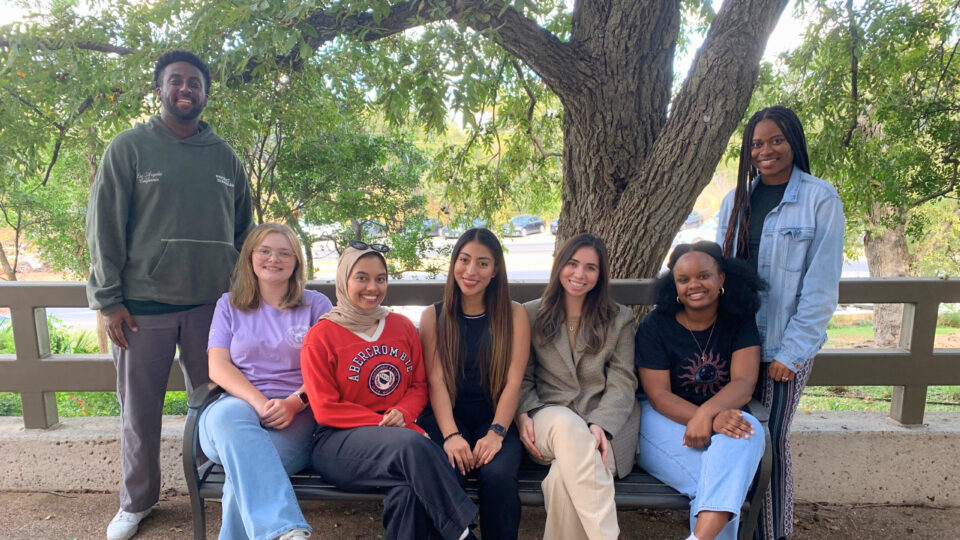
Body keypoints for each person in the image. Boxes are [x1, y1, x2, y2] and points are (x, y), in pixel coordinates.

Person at [85, 49, 253, 540]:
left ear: (205, 92)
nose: (186, 90)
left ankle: (213, 492)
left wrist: (245, 298)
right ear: (159, 89)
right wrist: (109, 299)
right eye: (176, 81)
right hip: (142, 308)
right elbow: (104, 229)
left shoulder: (225, 157)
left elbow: (245, 234)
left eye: (195, 83)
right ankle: (136, 502)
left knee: (216, 410)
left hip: (212, 310)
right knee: (140, 412)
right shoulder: (130, 148)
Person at [717, 105, 844, 539]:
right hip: (738, 345)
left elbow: (821, 287)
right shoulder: (736, 200)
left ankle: (773, 533)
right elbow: (722, 275)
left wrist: (792, 353)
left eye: (775, 140)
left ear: (793, 141)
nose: (765, 150)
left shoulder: (819, 198)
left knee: (771, 440)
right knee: (738, 437)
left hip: (782, 349)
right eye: (756, 143)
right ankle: (735, 525)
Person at [301, 243, 479, 540]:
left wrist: (405, 413)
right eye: (362, 277)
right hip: (340, 443)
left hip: (402, 435)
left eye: (380, 278)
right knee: (413, 446)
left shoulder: (401, 326)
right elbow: (325, 408)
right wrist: (396, 425)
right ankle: (463, 534)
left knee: (408, 490)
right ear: (344, 280)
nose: (373, 287)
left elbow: (418, 385)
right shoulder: (321, 336)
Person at [198, 223, 331, 540]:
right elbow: (217, 366)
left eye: (285, 253)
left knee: (246, 472)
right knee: (231, 420)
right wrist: (259, 403)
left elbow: (329, 370)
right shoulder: (228, 304)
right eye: (266, 251)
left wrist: (293, 402)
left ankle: (278, 531)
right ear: (250, 257)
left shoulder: (317, 306)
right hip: (235, 410)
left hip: (296, 417)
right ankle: (283, 528)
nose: (275, 259)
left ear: (297, 261)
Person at [635, 241, 767, 540]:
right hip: (661, 419)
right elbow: (658, 395)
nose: (694, 285)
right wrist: (705, 417)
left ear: (721, 278)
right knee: (719, 485)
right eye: (684, 280)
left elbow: (743, 383)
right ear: (675, 286)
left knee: (749, 433)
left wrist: (708, 414)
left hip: (722, 413)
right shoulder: (655, 326)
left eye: (703, 276)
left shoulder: (738, 320)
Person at [518, 234, 640, 540]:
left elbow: (624, 379)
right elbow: (521, 377)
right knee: (565, 423)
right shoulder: (530, 313)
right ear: (559, 266)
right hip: (549, 419)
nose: (579, 274)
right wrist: (522, 414)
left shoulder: (619, 318)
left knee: (561, 481)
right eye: (572, 264)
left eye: (590, 267)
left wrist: (603, 424)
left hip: (605, 427)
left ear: (600, 275)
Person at [418, 228, 529, 540]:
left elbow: (513, 381)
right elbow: (436, 381)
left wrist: (496, 434)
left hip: (495, 419)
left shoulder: (514, 314)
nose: (471, 271)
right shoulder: (433, 316)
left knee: (498, 475)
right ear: (454, 263)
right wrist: (451, 435)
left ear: (494, 271)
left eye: (482, 263)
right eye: (464, 260)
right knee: (445, 471)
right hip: (446, 418)